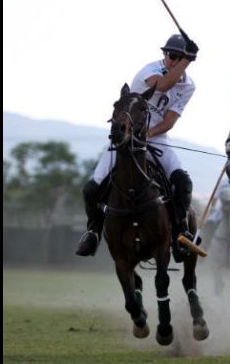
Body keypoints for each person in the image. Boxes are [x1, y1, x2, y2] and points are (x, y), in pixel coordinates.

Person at [75, 33, 199, 258]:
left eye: (179, 58)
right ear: (164, 54)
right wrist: (187, 60)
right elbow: (161, 86)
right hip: (126, 139)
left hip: (157, 139)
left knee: (183, 181)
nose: (173, 61)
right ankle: (93, 231)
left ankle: (181, 233)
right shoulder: (149, 70)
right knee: (91, 187)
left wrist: (148, 135)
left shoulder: (189, 86)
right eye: (171, 56)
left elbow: (169, 120)